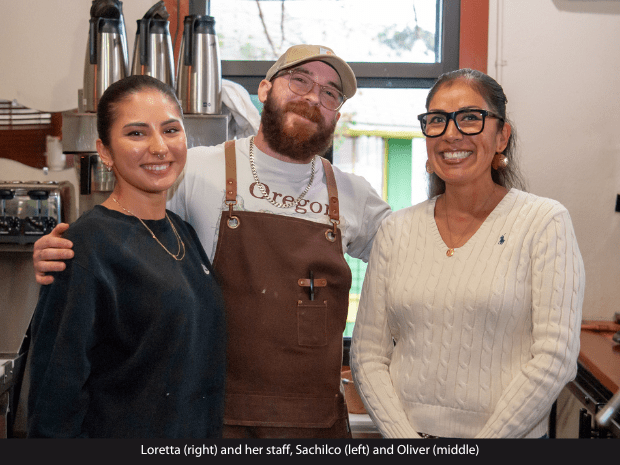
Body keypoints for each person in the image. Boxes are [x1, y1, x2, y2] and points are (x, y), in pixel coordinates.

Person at [32, 45, 392, 438]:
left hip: (316, 427)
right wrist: (66, 251)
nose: (311, 97)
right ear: (267, 89)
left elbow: (418, 262)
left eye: (329, 93)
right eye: (300, 80)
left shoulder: (354, 195)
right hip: (217, 425)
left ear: (336, 113)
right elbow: (126, 229)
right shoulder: (195, 170)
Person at [350, 68, 585, 439]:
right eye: (437, 120)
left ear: (502, 135)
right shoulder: (397, 230)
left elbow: (554, 357)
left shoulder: (543, 222)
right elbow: (367, 355)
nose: (451, 133)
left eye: (471, 118)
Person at [27, 75, 226, 438]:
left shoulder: (183, 231)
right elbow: (54, 394)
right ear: (104, 151)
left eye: (170, 130)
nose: (158, 147)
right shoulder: (84, 247)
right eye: (136, 133)